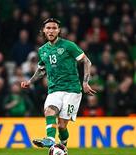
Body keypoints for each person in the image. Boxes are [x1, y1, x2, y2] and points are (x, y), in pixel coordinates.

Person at [21, 18, 96, 148]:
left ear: (59, 31)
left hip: (72, 90)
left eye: (54, 28)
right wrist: (30, 81)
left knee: (62, 126)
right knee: (49, 110)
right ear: (44, 31)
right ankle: (50, 139)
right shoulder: (42, 50)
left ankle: (63, 145)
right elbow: (41, 70)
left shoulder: (68, 45)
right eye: (48, 28)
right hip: (54, 89)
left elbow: (87, 61)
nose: (51, 30)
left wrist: (85, 82)